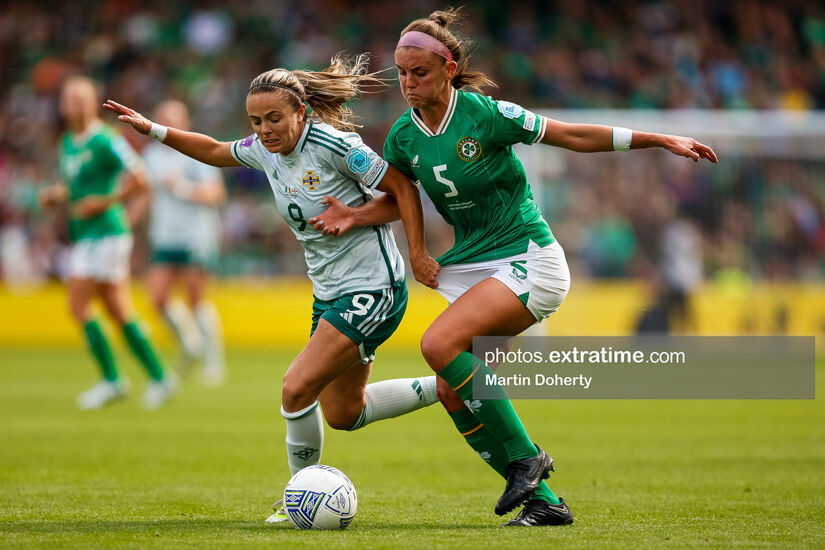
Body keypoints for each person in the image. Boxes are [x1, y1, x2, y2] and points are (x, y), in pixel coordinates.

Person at [312, 8, 717, 527]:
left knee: (438, 346)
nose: (409, 84)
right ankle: (546, 502)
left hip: (529, 260)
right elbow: (400, 195)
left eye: (420, 73)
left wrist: (657, 138)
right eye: (402, 74)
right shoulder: (402, 137)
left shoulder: (486, 114)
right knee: (452, 391)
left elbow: (569, 135)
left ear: (449, 68)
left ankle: (527, 458)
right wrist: (366, 221)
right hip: (474, 268)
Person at [103, 53, 441, 522]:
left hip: (375, 286)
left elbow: (403, 190)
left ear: (301, 113)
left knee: (295, 388)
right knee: (345, 412)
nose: (264, 130)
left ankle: (297, 497)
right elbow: (216, 151)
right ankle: (455, 385)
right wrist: (154, 130)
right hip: (330, 294)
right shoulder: (265, 149)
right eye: (256, 121)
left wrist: (412, 249)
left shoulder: (335, 145)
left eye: (274, 119)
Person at [38, 75, 176, 410]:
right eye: (69, 99)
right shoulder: (70, 141)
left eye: (81, 99)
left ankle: (113, 380)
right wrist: (56, 195)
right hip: (87, 235)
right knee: (117, 309)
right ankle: (160, 376)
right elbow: (74, 187)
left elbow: (140, 178)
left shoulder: (105, 139)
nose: (74, 105)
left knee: (78, 305)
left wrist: (106, 202)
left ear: (92, 103)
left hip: (106, 233)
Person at [143, 99, 227, 386]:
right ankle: (190, 344)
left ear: (186, 122)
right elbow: (147, 194)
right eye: (163, 117)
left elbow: (216, 193)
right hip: (164, 234)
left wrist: (182, 188)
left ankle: (214, 361)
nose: (168, 122)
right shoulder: (152, 156)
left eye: (174, 117)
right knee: (158, 298)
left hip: (196, 234)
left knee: (196, 299)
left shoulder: (196, 152)